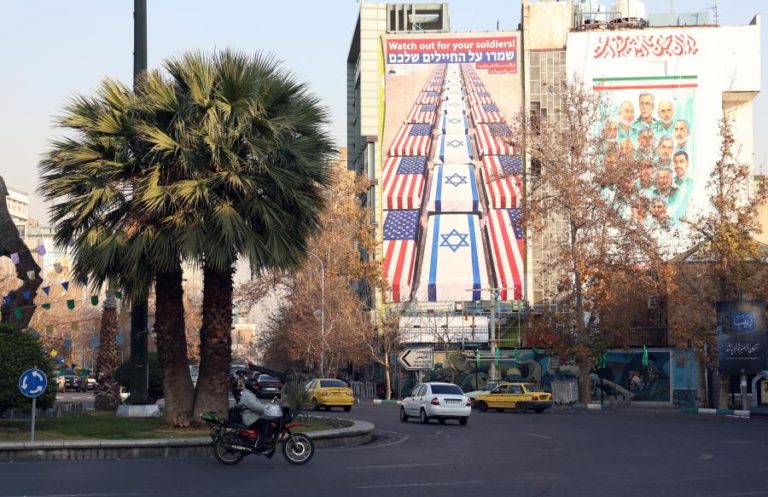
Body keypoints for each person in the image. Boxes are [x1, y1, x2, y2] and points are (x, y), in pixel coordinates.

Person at [238, 378, 276, 449]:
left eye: (257, 386)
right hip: (249, 418)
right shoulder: (248, 395)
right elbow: (257, 407)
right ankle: (261, 443)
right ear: (250, 386)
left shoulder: (249, 394)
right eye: (255, 386)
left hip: (251, 416)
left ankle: (264, 439)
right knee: (266, 423)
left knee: (267, 421)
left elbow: (258, 405)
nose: (257, 387)